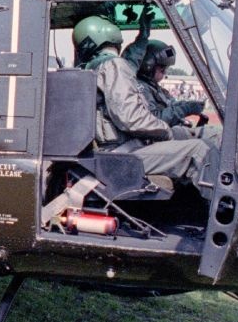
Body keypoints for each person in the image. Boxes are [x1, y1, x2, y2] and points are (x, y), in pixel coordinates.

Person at [72, 16, 211, 196]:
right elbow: (130, 118)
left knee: (187, 138)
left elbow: (131, 63)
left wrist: (143, 36)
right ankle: (223, 217)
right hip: (122, 155)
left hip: (113, 153)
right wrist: (164, 129)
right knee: (198, 150)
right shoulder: (113, 65)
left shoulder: (94, 67)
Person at [130, 39, 206, 126]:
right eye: (162, 69)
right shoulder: (141, 88)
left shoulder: (155, 88)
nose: (165, 73)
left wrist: (188, 104)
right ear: (148, 66)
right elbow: (155, 119)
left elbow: (170, 104)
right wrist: (185, 109)